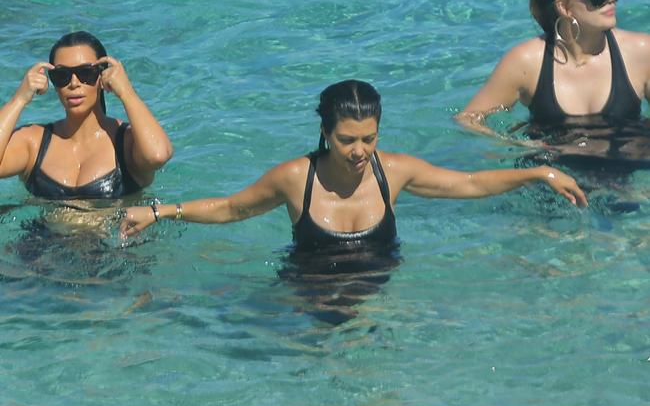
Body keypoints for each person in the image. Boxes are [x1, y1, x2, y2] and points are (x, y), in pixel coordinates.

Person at [121, 79, 586, 248]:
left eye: (369, 138)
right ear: (325, 133)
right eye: (347, 140)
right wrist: (160, 211)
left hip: (375, 294)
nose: (360, 151)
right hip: (308, 291)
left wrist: (538, 171)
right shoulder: (295, 177)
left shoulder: (394, 171)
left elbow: (468, 184)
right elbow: (231, 208)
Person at [457, 0, 650, 167]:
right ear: (564, 7)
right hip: (550, 188)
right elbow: (468, 120)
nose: (611, 0)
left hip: (622, 185)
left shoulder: (641, 52)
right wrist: (519, 145)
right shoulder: (527, 61)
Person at [0, 31, 173, 199]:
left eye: (85, 73)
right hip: (40, 229)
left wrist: (127, 93)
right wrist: (18, 100)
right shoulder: (35, 143)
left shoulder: (126, 143)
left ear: (103, 76)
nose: (74, 83)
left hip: (114, 228)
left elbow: (158, 155)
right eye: (62, 75)